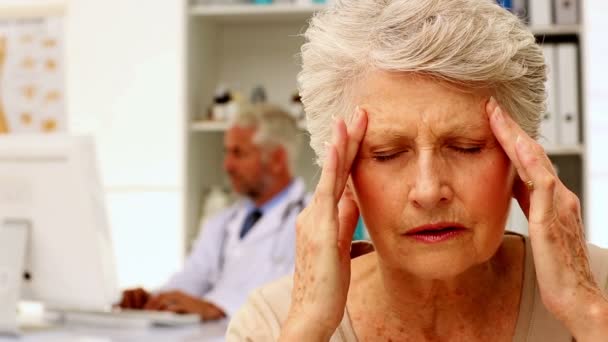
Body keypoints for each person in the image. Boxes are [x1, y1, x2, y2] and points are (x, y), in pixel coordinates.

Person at [226, 0, 608, 340]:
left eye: (466, 147)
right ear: (341, 174)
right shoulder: (271, 323)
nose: (428, 190)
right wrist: (309, 329)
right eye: (388, 154)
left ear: (521, 159)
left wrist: (587, 313)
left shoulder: (599, 291)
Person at [119, 103, 309, 321]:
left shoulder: (314, 220)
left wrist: (215, 307)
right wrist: (152, 300)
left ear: (277, 160)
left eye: (238, 153)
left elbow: (295, 294)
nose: (227, 165)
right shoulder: (222, 222)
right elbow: (194, 276)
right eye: (226, 152)